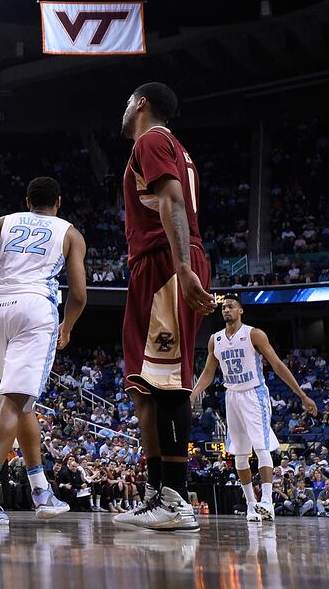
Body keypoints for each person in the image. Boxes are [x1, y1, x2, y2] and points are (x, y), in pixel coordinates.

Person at [114, 83, 216, 532]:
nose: (123, 110)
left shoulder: (151, 139)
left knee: (170, 382)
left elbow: (173, 201)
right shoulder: (172, 146)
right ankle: (156, 493)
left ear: (141, 103)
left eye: (127, 102)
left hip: (166, 263)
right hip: (155, 264)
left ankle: (175, 499)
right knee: (147, 386)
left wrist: (183, 266)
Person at [0, 176, 87, 525]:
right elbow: (78, 295)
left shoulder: (4, 221)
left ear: (27, 201)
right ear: (58, 203)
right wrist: (67, 326)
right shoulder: (70, 233)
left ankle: (41, 492)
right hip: (34, 308)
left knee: (22, 402)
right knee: (14, 401)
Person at [191, 295, 319, 523]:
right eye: (223, 307)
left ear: (240, 311)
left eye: (231, 306)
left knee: (261, 447)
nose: (226, 310)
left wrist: (301, 395)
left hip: (254, 393)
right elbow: (208, 373)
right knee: (239, 454)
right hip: (231, 396)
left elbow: (277, 365)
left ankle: (267, 501)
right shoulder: (215, 339)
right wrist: (192, 395)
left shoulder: (254, 334)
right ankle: (252, 505)